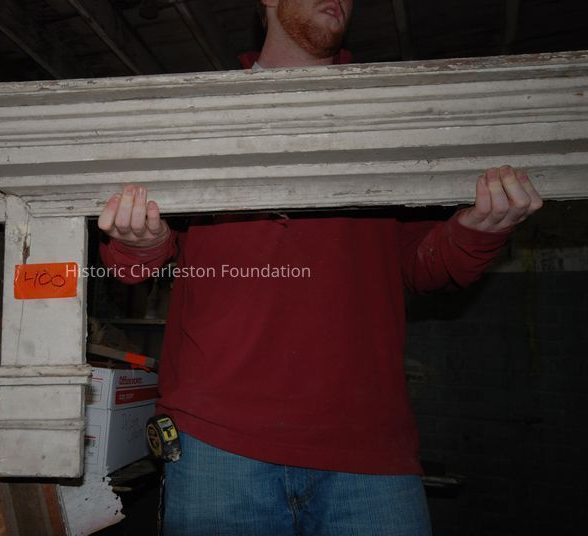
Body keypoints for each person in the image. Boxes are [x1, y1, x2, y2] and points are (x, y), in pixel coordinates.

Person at [98, 0, 543, 533]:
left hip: (367, 451)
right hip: (217, 443)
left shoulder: (389, 117)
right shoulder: (202, 115)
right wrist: (141, 240)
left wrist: (478, 231)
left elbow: (424, 266)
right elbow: (138, 263)